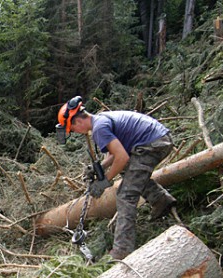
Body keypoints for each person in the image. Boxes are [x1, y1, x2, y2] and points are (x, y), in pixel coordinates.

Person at [58, 96, 176, 260]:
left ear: (78, 122)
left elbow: (122, 157)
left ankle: (122, 250)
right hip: (157, 139)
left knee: (125, 195)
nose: (76, 132)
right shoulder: (101, 121)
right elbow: (117, 153)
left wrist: (105, 181)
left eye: (73, 129)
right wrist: (98, 168)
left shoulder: (99, 129)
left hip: (152, 145)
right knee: (130, 172)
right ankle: (160, 199)